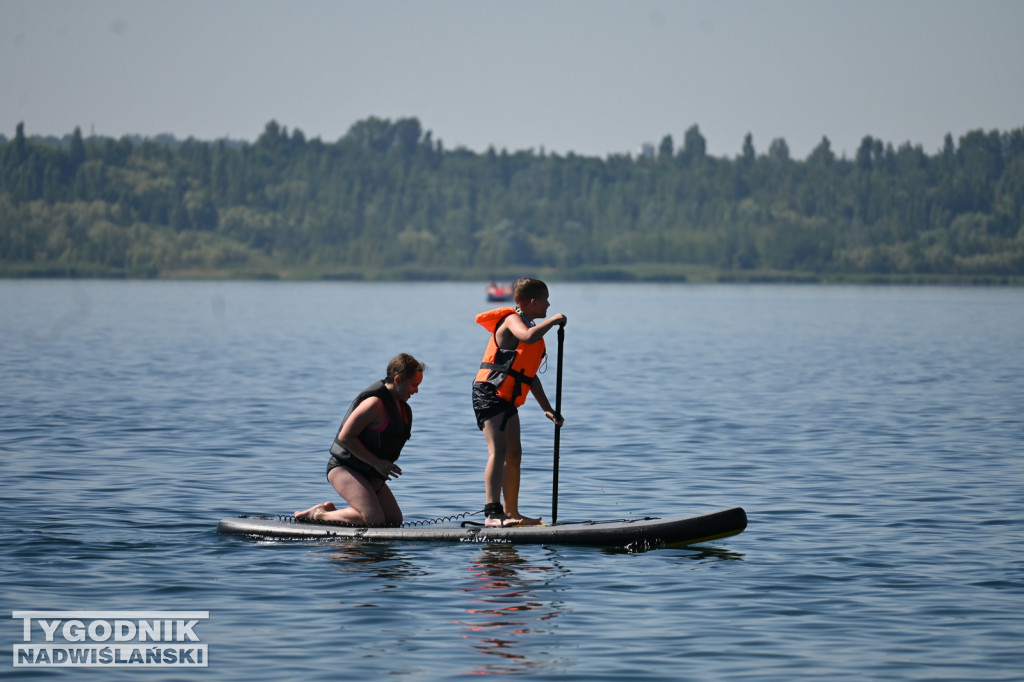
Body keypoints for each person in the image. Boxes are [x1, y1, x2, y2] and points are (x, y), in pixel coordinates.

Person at [472, 278, 566, 527]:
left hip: (506, 398)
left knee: (515, 454)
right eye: (546, 300)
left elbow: (528, 376)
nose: (548, 304)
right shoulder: (513, 320)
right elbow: (527, 337)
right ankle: (492, 514)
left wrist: (547, 408)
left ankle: (512, 513)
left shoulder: (530, 324)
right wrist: (553, 320)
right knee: (499, 451)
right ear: (533, 302)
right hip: (489, 393)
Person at [295, 353, 425, 527]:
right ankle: (318, 514)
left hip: (369, 473)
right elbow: (345, 438)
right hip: (344, 469)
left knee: (394, 520)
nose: (416, 390)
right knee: (375, 520)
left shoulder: (402, 409)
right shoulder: (375, 404)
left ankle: (335, 513)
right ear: (398, 379)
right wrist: (377, 462)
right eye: (414, 385)